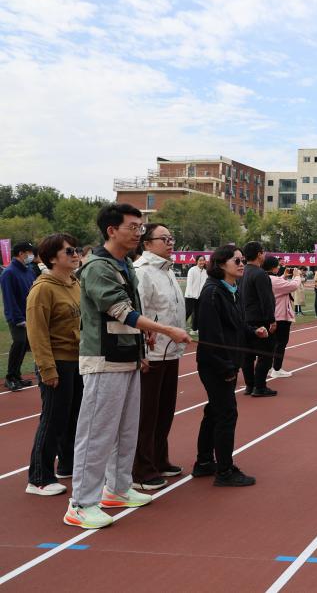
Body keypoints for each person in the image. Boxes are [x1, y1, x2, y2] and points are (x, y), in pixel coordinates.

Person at [64, 204, 190, 530]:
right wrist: (166, 329)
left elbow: (134, 311)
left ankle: (117, 489)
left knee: (126, 429)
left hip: (128, 357)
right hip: (104, 359)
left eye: (140, 227)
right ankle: (81, 504)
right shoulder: (97, 267)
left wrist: (145, 335)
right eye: (133, 227)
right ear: (112, 230)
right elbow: (122, 311)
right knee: (96, 433)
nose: (138, 233)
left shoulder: (125, 265)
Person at [193, 244, 267, 488]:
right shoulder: (213, 293)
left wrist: (253, 331)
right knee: (226, 414)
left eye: (242, 259)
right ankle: (224, 471)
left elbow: (236, 324)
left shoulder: (231, 289)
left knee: (214, 411)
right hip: (216, 364)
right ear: (221, 264)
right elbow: (211, 336)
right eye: (237, 260)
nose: (242, 263)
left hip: (227, 362)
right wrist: (225, 367)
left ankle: (204, 462)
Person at [132, 223, 188, 491]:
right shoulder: (141, 271)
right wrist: (141, 351)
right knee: (147, 414)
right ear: (146, 243)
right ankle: (140, 469)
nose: (170, 243)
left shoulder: (167, 270)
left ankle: (158, 458)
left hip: (170, 351)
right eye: (163, 239)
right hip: (152, 354)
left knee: (165, 411)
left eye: (171, 238)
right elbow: (137, 313)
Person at [25, 234, 82, 497]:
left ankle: (67, 464)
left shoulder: (74, 283)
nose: (75, 254)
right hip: (57, 362)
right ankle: (39, 477)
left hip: (77, 360)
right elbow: (37, 334)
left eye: (76, 250)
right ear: (51, 258)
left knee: (73, 416)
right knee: (53, 418)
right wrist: (47, 369)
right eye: (69, 251)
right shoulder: (42, 289)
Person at [237, 241, 277, 397]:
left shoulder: (241, 272)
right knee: (266, 355)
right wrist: (271, 320)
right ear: (259, 254)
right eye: (263, 252)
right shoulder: (260, 274)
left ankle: (250, 385)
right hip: (260, 320)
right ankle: (259, 387)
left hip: (244, 319)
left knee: (247, 355)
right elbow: (266, 300)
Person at [2, 241, 37, 390]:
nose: (32, 255)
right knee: (19, 342)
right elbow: (9, 298)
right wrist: (18, 319)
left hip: (30, 315)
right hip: (18, 318)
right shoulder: (9, 272)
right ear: (21, 253)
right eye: (30, 252)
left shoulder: (29, 270)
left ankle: (16, 376)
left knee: (24, 346)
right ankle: (10, 377)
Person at [266, 257, 302, 380]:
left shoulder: (266, 278)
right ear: (272, 268)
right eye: (277, 265)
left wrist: (284, 276)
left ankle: (269, 367)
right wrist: (297, 276)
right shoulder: (273, 280)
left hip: (272, 314)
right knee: (281, 343)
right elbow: (293, 286)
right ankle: (276, 369)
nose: (279, 267)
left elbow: (279, 284)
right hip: (280, 315)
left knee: (272, 343)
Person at [183, 255, 207, 332]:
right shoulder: (192, 270)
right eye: (200, 260)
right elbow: (189, 283)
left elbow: (205, 284)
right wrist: (190, 294)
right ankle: (180, 326)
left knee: (197, 313)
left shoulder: (205, 272)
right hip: (190, 296)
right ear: (196, 261)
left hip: (200, 296)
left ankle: (194, 329)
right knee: (188, 312)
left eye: (203, 260)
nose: (202, 262)